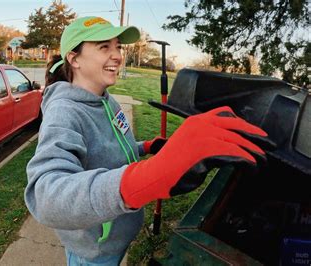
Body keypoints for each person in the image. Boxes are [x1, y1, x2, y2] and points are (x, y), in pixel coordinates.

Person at [24, 16, 269, 265]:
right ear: (74, 59)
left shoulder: (106, 99)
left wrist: (147, 147)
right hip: (96, 250)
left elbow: (110, 147)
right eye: (104, 47)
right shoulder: (63, 112)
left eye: (118, 46)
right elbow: (46, 195)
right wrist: (147, 176)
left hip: (119, 233)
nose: (118, 55)